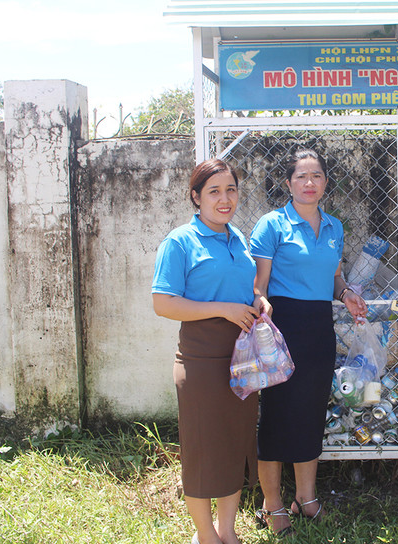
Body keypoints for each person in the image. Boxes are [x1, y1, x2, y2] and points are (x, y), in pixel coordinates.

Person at [249, 148, 367, 536]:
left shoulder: (334, 227)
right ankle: (272, 503)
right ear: (288, 183)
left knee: (311, 412)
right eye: (301, 176)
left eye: (316, 176)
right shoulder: (272, 225)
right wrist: (260, 303)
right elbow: (259, 285)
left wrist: (346, 293)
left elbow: (334, 277)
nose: (309, 183)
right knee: (277, 414)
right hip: (281, 325)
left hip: (319, 327)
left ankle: (306, 498)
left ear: (326, 183)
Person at [151, 159, 270, 544]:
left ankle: (227, 530)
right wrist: (223, 310)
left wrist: (258, 300)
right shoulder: (180, 242)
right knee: (203, 450)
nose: (224, 199)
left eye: (231, 190)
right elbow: (163, 303)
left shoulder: (237, 238)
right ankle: (205, 534)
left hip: (242, 358)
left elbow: (245, 288)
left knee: (235, 444)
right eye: (214, 191)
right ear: (196, 197)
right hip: (201, 360)